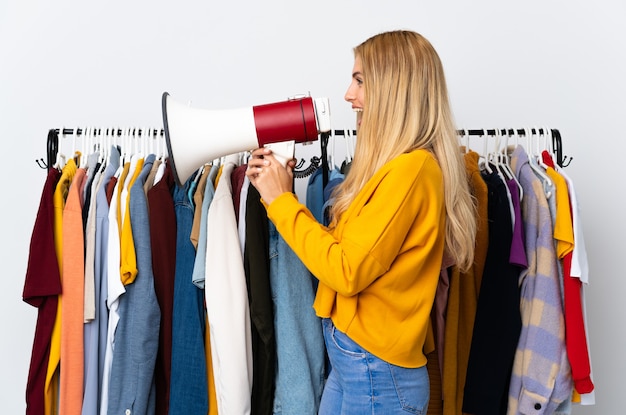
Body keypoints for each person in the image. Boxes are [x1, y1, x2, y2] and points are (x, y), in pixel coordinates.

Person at [245, 30, 476, 414]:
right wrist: (280, 193)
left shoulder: (413, 171)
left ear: (394, 88)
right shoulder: (389, 169)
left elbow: (346, 270)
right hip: (357, 363)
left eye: (360, 80)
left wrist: (281, 202)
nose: (349, 95)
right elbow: (344, 252)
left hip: (377, 373)